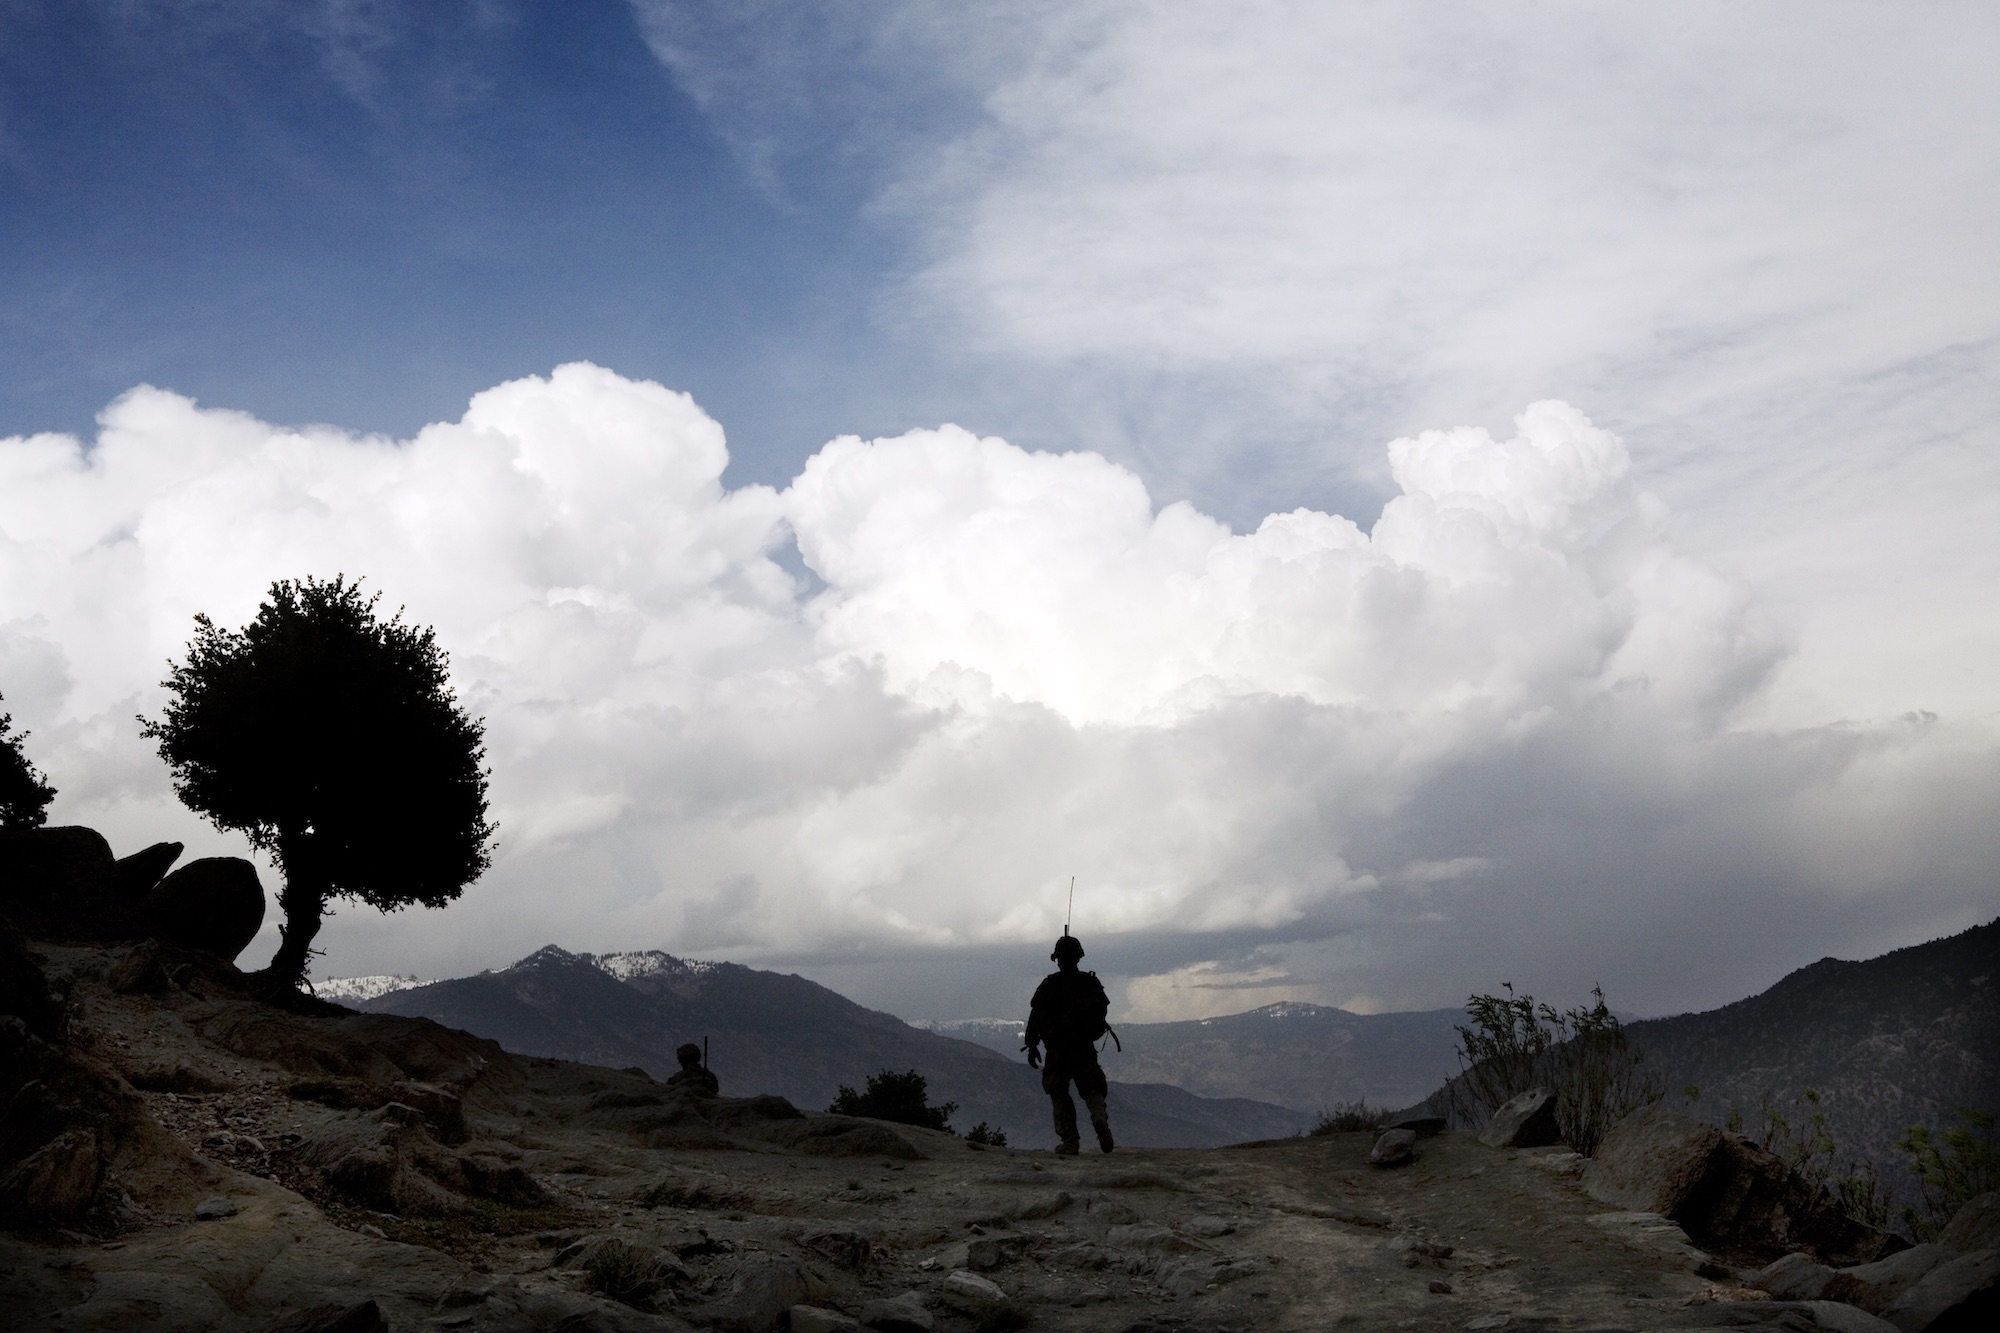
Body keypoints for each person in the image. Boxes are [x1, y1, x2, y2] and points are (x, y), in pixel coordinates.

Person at [1023, 934, 1114, 1155]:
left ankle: (1070, 1141)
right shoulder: (1089, 983)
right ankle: (1099, 1118)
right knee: (1092, 1088)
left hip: (1057, 1050)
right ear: (1078, 957)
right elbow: (1102, 1011)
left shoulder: (1050, 985)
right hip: (1083, 1048)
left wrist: (1032, 1044)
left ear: (1057, 959)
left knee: (1058, 1092)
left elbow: (1036, 1015)